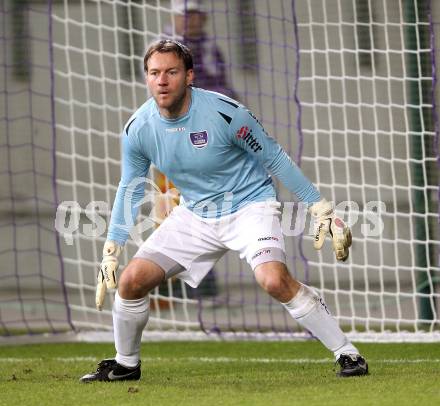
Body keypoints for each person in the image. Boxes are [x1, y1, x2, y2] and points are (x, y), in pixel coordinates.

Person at [80, 40, 368, 383]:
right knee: (130, 282)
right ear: (146, 78)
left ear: (189, 76)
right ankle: (126, 364)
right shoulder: (138, 129)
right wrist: (112, 249)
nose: (162, 81)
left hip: (250, 206)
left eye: (171, 72)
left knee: (273, 280)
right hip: (196, 214)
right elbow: (129, 187)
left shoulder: (226, 113)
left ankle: (348, 353)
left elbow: (274, 156)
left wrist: (318, 206)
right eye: (154, 73)